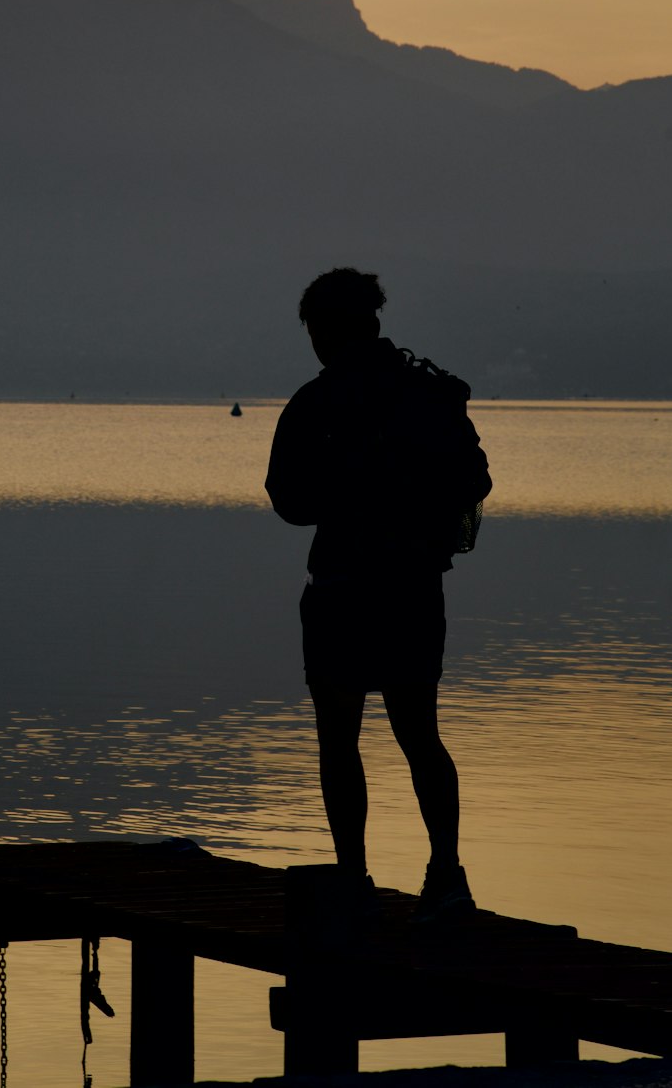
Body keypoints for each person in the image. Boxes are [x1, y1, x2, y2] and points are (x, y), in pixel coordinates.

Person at [265, 267, 491, 922]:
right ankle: (446, 872)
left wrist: (341, 493)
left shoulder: (318, 401)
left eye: (314, 331)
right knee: (421, 734)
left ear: (327, 329)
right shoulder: (432, 394)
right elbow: (474, 479)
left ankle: (351, 874)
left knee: (339, 737)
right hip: (414, 590)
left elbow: (288, 497)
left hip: (341, 588)